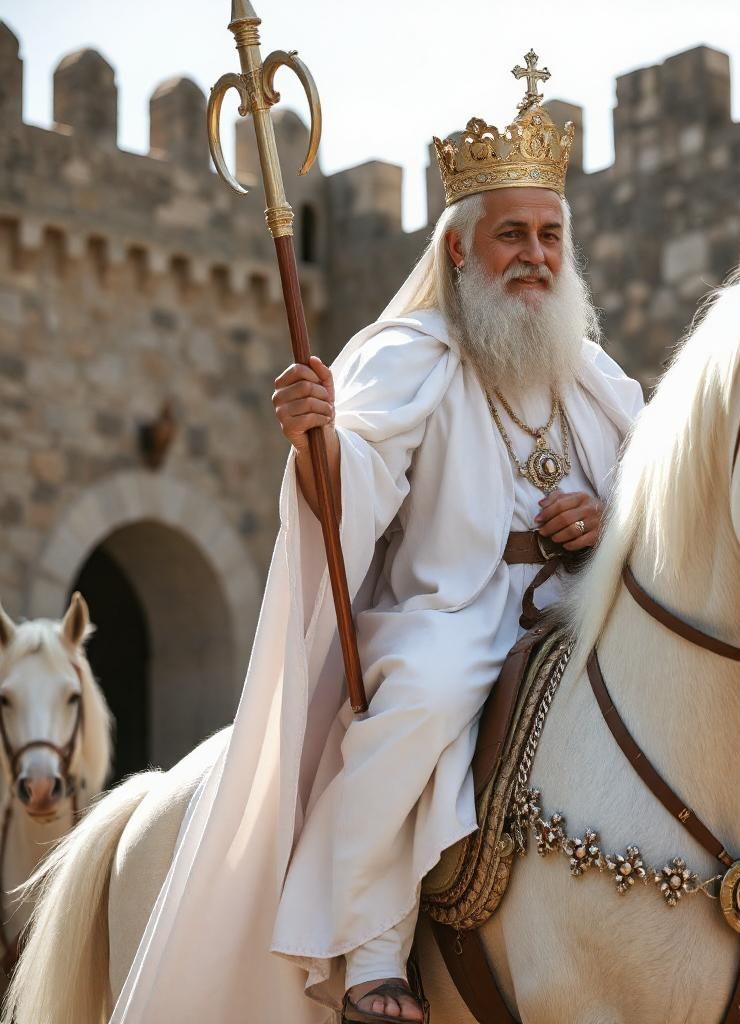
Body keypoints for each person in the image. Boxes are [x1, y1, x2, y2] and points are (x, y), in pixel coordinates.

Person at [111, 54, 643, 1024]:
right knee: (429, 694)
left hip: (578, 610)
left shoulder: (598, 381)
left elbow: (654, 497)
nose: (533, 254)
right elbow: (347, 490)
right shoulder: (409, 358)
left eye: (550, 235)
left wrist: (608, 522)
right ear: (457, 251)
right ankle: (368, 946)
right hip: (445, 614)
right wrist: (316, 436)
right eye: (510, 235)